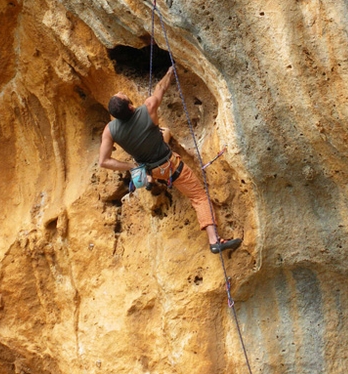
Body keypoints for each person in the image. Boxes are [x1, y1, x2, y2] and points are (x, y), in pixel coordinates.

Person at [99, 67, 242, 254]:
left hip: (151, 169)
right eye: (123, 95)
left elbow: (104, 161)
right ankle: (214, 240)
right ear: (131, 107)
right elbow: (161, 88)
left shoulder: (110, 130)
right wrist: (170, 72)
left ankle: (150, 180)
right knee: (199, 197)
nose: (121, 92)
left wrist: (133, 166)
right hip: (170, 165)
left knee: (165, 133)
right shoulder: (148, 108)